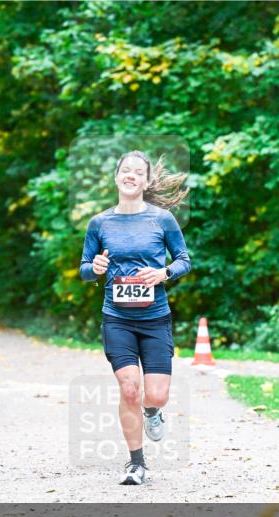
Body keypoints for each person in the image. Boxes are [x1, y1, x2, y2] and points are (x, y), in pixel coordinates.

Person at [79, 151, 191, 485]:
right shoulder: (100, 223)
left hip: (155, 318)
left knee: (155, 394)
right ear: (116, 177)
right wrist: (94, 268)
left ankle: (153, 411)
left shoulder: (162, 219)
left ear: (146, 181)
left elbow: (184, 259)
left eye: (137, 172)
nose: (130, 175)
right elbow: (85, 269)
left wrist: (164, 273)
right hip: (117, 319)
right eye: (125, 170)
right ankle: (136, 463)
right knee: (130, 389)